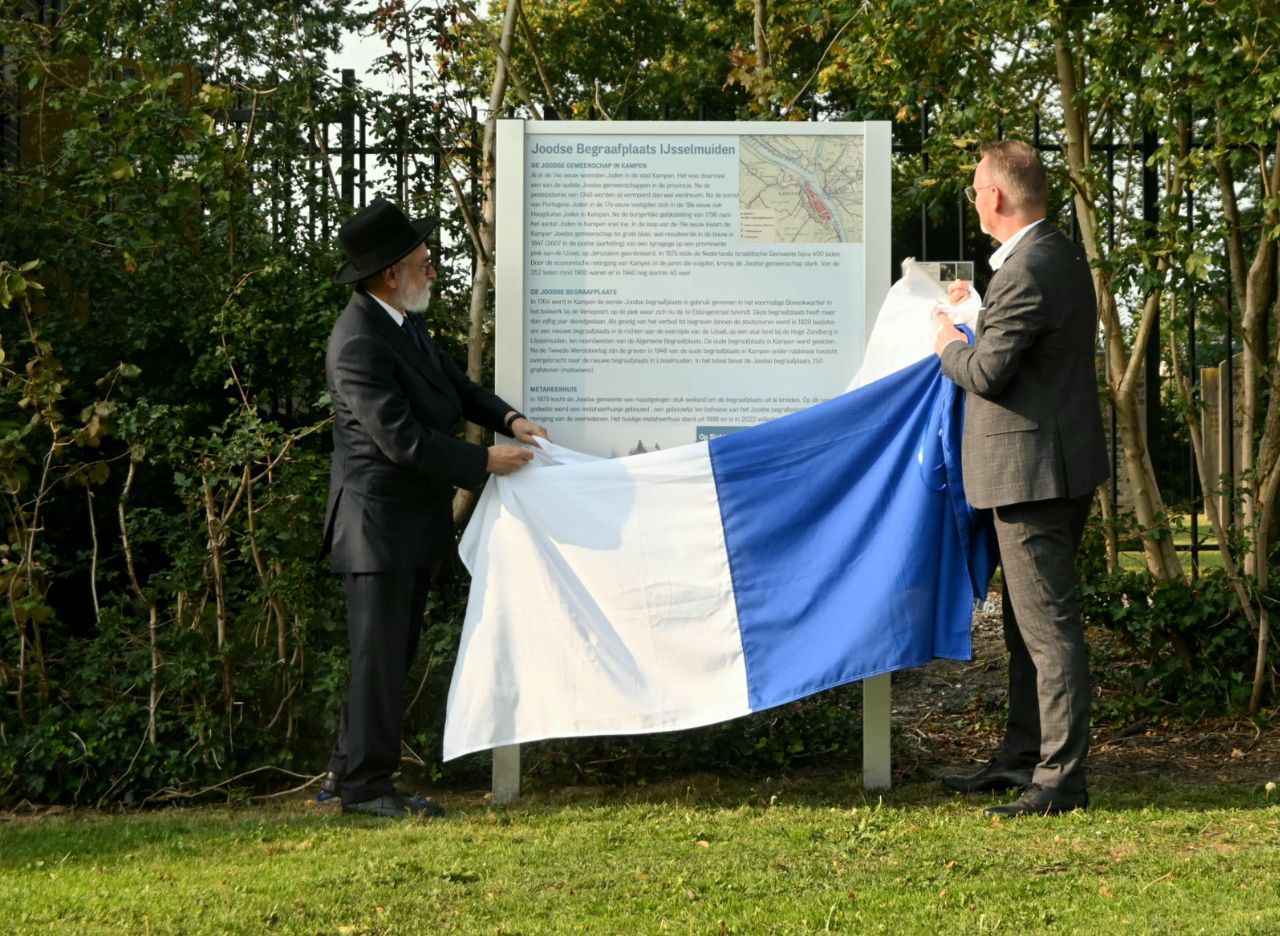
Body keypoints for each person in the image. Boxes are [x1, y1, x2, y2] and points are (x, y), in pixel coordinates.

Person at [319, 200, 547, 818]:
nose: (432, 264)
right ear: (392, 272)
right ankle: (367, 789)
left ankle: (347, 771)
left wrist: (509, 420)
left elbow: (457, 387)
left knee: (384, 654)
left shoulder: (401, 323)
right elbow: (400, 440)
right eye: (423, 257)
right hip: (376, 528)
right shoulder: (358, 341)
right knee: (380, 658)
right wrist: (482, 464)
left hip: (405, 525)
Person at [932, 141, 1107, 817]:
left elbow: (985, 373)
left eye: (977, 188)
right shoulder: (1051, 256)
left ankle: (1059, 779)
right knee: (1025, 630)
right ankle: (1022, 757)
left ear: (996, 198)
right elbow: (1020, 349)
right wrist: (977, 312)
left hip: (1034, 478)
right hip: (1048, 470)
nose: (975, 197)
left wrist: (946, 337)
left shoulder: (1030, 269)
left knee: (1047, 629)